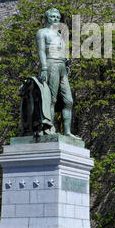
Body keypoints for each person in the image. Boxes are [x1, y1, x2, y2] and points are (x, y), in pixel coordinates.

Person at [36, 7, 75, 137]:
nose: (56, 19)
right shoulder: (42, 33)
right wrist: (44, 67)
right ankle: (49, 129)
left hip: (62, 67)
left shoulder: (59, 34)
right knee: (51, 99)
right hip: (51, 64)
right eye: (53, 17)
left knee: (68, 101)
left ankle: (67, 132)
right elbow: (41, 50)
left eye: (58, 17)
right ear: (47, 18)